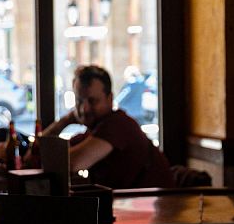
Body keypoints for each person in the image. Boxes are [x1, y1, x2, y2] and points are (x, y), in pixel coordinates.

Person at [40, 65, 173, 190]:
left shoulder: (118, 125)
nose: (84, 109)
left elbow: (71, 164)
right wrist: (65, 121)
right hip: (133, 206)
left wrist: (66, 121)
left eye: (93, 101)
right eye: (79, 101)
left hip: (156, 207)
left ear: (110, 99)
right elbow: (41, 153)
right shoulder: (93, 131)